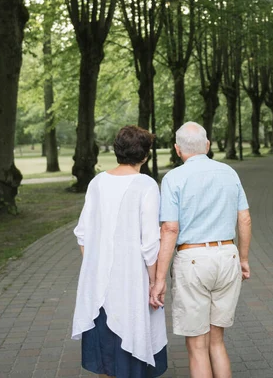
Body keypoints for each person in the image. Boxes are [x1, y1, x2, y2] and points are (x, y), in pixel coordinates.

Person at [151, 121, 251, 378]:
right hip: (228, 256)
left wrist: (159, 279)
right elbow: (245, 218)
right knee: (217, 340)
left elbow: (170, 229)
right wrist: (244, 258)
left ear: (177, 149)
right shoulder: (229, 172)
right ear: (207, 145)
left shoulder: (173, 178)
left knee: (197, 345)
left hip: (193, 259)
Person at [72, 125, 167, 378]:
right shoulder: (146, 185)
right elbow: (150, 243)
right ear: (145, 155)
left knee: (105, 358)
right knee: (129, 355)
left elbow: (82, 234)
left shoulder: (97, 182)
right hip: (130, 284)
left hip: (98, 285)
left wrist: (97, 266)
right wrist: (155, 281)